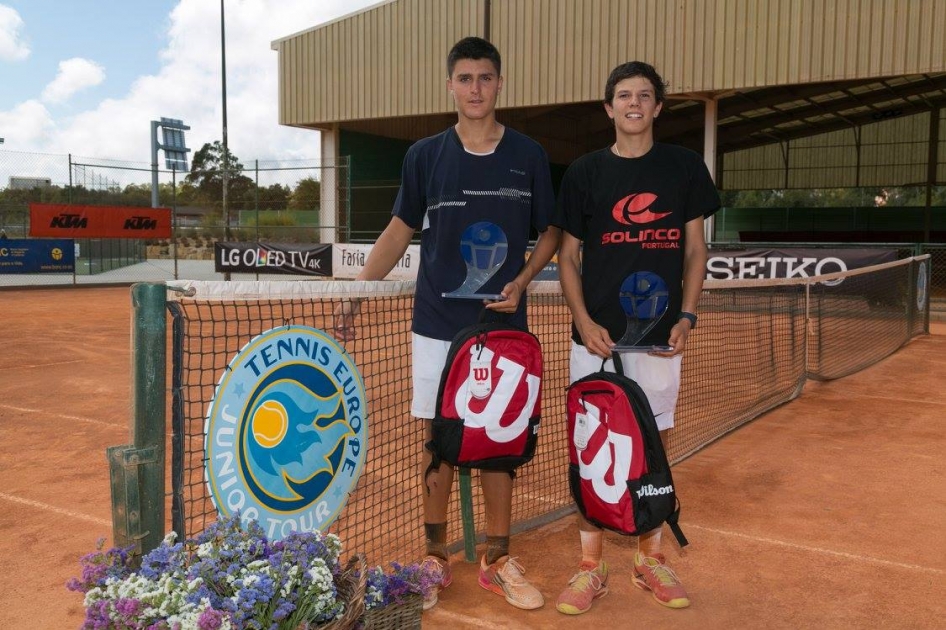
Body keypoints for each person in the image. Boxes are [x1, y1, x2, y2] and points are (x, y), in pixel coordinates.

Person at [333, 36, 560, 611]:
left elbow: (551, 231)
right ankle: (436, 556)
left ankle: (498, 556)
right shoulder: (424, 156)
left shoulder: (528, 155)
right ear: (451, 85)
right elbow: (398, 232)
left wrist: (525, 277)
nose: (475, 88)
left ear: (500, 83)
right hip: (437, 325)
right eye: (465, 78)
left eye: (485, 77)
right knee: (438, 441)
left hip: (504, 328)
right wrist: (360, 291)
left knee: (500, 442)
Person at [552, 61, 720, 614]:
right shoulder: (584, 173)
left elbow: (695, 251)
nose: (633, 104)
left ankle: (650, 558)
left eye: (644, 96)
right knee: (590, 450)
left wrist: (688, 316)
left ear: (657, 107)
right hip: (595, 341)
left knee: (655, 448)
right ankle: (588, 566)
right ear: (609, 107)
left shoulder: (684, 168)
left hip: (658, 342)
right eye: (623, 95)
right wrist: (582, 321)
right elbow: (568, 255)